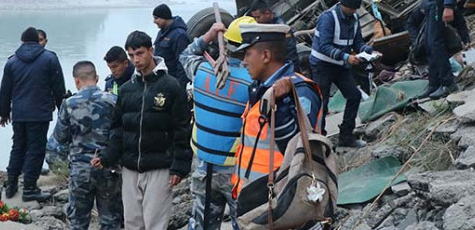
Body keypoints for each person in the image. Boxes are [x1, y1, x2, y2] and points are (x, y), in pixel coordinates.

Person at [92, 30, 191, 230]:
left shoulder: (171, 87)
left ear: (151, 51)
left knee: (155, 223)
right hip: (130, 168)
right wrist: (107, 156)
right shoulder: (127, 90)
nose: (136, 60)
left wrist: (179, 166)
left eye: (139, 53)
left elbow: (182, 129)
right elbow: (118, 128)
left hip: (160, 167)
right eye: (131, 55)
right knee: (132, 223)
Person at [180, 16, 255, 230]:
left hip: (204, 167)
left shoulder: (202, 72)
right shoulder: (253, 85)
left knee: (202, 223)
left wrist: (209, 35)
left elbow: (186, 54)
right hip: (237, 171)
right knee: (242, 223)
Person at [232, 23, 322, 197]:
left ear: (266, 55)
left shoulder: (299, 92)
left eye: (248, 54)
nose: (244, 62)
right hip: (253, 195)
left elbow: (301, 148)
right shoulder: (259, 89)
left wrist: (280, 109)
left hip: (282, 197)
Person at [52, 61, 122, 230]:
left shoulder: (69, 104)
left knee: (78, 221)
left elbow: (60, 138)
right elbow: (121, 135)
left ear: (76, 80)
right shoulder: (113, 100)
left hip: (80, 170)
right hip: (108, 167)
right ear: (97, 78)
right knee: (111, 219)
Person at [0, 26, 66, 202]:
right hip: (40, 112)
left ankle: (11, 185)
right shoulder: (49, 58)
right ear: (38, 41)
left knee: (18, 147)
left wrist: (4, 113)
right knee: (36, 150)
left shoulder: (12, 62)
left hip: (19, 113)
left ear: (22, 41)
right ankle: (29, 188)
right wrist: (62, 110)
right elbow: (58, 87)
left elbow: (5, 90)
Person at [309, 0, 374, 148]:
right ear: (342, 4)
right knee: (321, 104)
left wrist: (367, 51)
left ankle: (346, 136)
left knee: (354, 95)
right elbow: (324, 46)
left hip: (340, 65)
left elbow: (357, 42)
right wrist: (346, 57)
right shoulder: (328, 18)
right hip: (322, 65)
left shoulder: (354, 18)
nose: (352, 12)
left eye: (354, 9)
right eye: (350, 8)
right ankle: (320, 141)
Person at [248, 0, 299, 70]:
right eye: (255, 18)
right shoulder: (263, 25)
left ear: (267, 13)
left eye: (258, 17)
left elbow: (291, 52)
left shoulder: (281, 28)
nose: (256, 20)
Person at [152, 3, 192, 86]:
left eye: (156, 18)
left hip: (173, 80)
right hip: (162, 79)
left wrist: (179, 85)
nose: (154, 21)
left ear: (164, 17)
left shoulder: (179, 35)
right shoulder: (162, 32)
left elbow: (182, 62)